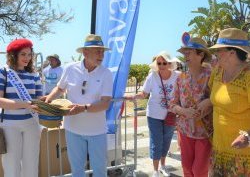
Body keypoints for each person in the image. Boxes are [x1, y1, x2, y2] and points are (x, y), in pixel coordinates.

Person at [43, 34, 113, 177]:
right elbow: (60, 88)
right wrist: (48, 100)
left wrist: (84, 108)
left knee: (100, 171)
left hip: (97, 131)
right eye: (97, 51)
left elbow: (105, 103)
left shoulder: (106, 73)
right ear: (85, 53)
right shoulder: (70, 68)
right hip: (72, 130)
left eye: (102, 51)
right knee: (77, 171)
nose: (101, 54)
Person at [126, 51, 179, 177]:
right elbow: (144, 94)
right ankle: (155, 170)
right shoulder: (152, 76)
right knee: (156, 141)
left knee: (166, 141)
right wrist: (131, 96)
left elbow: (183, 92)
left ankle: (163, 166)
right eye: (159, 63)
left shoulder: (178, 76)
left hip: (170, 115)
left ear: (169, 63)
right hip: (153, 115)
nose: (161, 65)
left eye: (164, 63)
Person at [208, 28, 250, 176]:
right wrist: (204, 104)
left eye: (220, 50)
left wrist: (248, 137)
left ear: (232, 52)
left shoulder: (248, 76)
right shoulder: (218, 71)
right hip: (218, 152)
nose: (216, 54)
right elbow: (215, 98)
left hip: (243, 158)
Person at [169, 37, 212, 177]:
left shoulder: (211, 76)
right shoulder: (180, 78)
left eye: (189, 53)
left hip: (205, 133)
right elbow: (171, 104)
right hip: (184, 130)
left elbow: (218, 98)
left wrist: (208, 103)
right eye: (184, 53)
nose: (185, 56)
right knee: (187, 169)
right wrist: (184, 111)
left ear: (201, 55)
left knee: (199, 171)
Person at [0, 39, 43, 177]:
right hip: (9, 125)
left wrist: (50, 105)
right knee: (11, 166)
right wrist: (24, 104)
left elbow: (39, 100)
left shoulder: (35, 75)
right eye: (23, 54)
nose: (27, 58)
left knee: (31, 165)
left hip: (31, 123)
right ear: (14, 55)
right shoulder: (4, 72)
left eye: (29, 54)